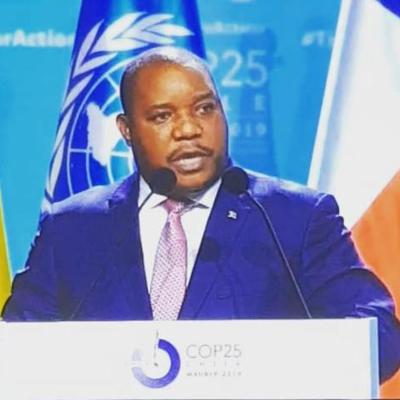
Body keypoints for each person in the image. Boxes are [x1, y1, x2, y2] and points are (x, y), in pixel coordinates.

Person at [2, 47, 400, 382]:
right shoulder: (72, 228)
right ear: (126, 130)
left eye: (204, 108)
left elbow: (379, 337)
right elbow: (16, 353)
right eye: (162, 116)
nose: (189, 129)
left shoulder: (295, 218)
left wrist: (274, 362)